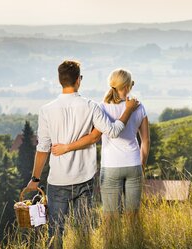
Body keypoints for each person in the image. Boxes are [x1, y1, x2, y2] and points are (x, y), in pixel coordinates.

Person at [26, 61, 139, 247]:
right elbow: (112, 131)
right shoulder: (91, 106)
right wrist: (127, 110)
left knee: (55, 233)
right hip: (84, 178)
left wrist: (35, 178)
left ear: (59, 80)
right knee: (84, 233)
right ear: (79, 80)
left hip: (58, 180)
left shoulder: (46, 110)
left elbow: (43, 148)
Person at [52, 68, 150, 245]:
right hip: (134, 164)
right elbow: (146, 141)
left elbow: (94, 137)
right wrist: (141, 165)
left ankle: (112, 246)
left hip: (110, 168)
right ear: (127, 86)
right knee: (133, 217)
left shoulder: (101, 108)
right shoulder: (138, 106)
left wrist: (67, 147)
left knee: (110, 218)